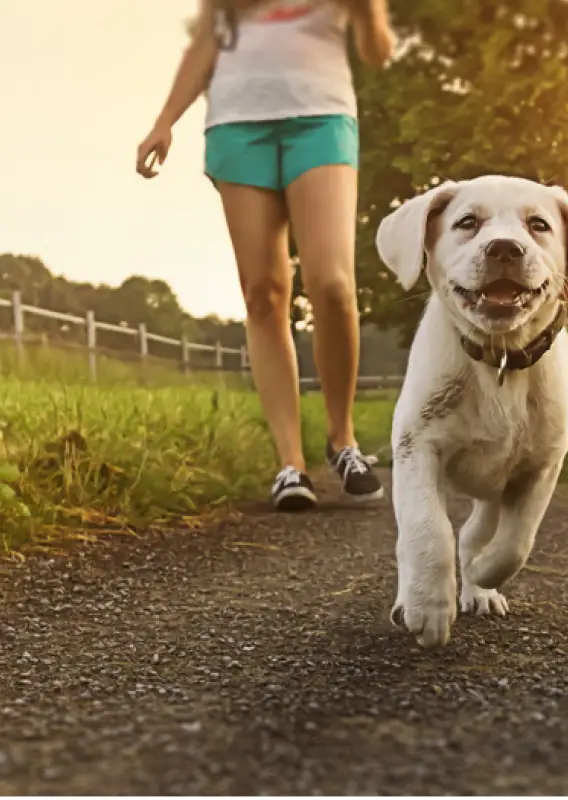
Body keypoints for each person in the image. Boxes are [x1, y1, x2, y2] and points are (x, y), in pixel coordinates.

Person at [136, 0, 398, 511]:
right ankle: (290, 464)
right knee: (263, 292)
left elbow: (377, 52)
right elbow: (205, 44)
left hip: (322, 120)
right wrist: (165, 121)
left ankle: (342, 441)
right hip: (237, 126)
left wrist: (368, 13)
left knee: (332, 284)